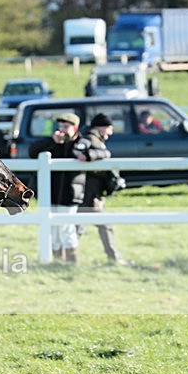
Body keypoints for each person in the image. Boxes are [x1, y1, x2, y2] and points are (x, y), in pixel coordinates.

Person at [28, 112, 86, 263]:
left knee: (67, 229)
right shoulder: (53, 142)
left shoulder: (82, 142)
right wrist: (51, 141)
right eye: (60, 126)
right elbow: (32, 151)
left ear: (75, 128)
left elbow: (89, 152)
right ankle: (57, 261)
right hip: (51, 193)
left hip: (70, 194)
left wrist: (84, 154)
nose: (62, 130)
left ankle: (72, 262)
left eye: (66, 127)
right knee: (53, 231)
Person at [74, 113, 128, 265]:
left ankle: (67, 257)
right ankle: (114, 258)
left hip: (89, 191)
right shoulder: (91, 139)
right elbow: (82, 154)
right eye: (109, 129)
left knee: (80, 226)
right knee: (101, 226)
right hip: (90, 192)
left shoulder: (92, 138)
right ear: (102, 127)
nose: (110, 133)